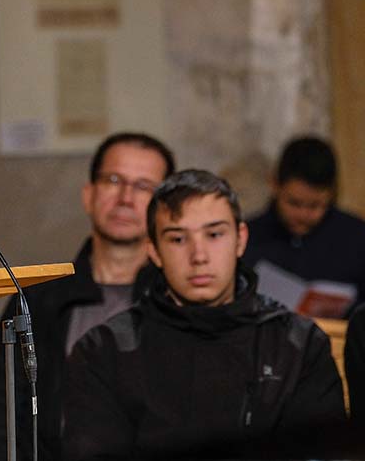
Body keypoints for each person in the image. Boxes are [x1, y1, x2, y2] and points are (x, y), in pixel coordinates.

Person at [63, 169, 346, 460]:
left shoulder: (298, 345)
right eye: (177, 239)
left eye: (214, 234)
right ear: (154, 251)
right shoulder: (104, 352)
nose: (199, 256)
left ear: (240, 239)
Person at [0, 132, 175, 461]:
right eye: (114, 180)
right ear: (88, 195)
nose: (126, 197)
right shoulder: (39, 297)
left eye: (144, 186)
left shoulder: (178, 301)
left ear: (165, 210)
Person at [244, 136, 365, 317]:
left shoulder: (357, 238)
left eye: (315, 206)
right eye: (294, 203)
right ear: (275, 185)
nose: (303, 215)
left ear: (331, 194)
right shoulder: (248, 237)